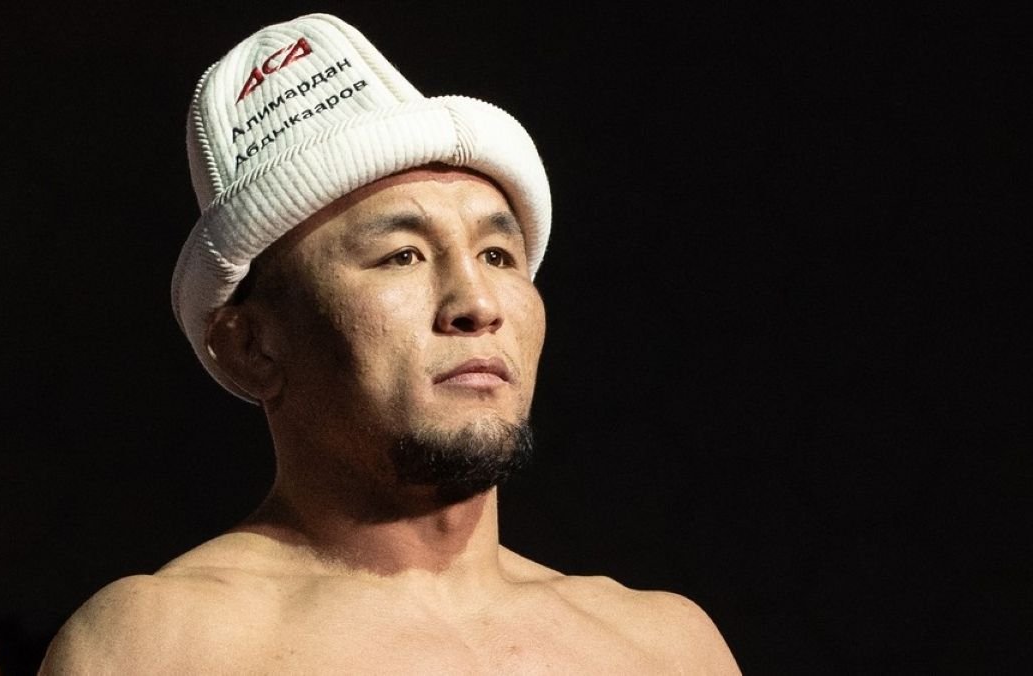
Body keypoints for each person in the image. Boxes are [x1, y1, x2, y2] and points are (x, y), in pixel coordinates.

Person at [39, 13, 739, 674]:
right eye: (402, 255)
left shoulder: (663, 647)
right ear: (252, 347)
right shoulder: (161, 646)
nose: (477, 305)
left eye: (498, 255)